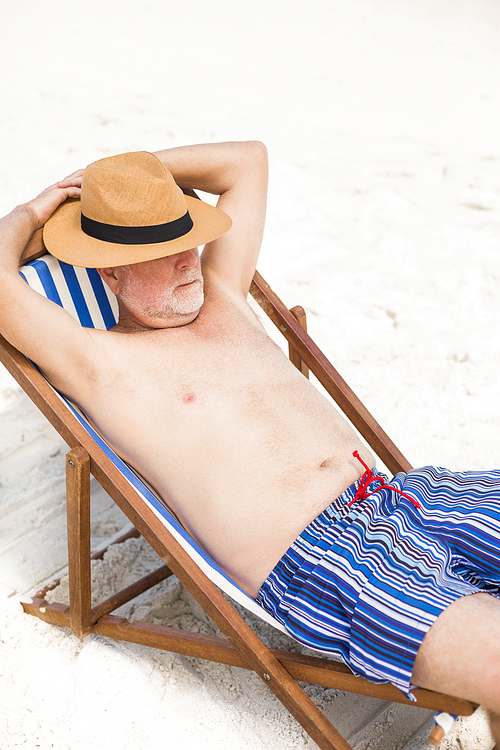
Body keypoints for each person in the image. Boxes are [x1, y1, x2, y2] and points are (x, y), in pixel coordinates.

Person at [1, 141, 500, 743]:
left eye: (187, 234)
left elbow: (248, 162)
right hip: (333, 565)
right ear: (111, 269)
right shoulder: (100, 365)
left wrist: (129, 177)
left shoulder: (223, 294)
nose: (189, 256)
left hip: (413, 498)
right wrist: (33, 211)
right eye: (165, 249)